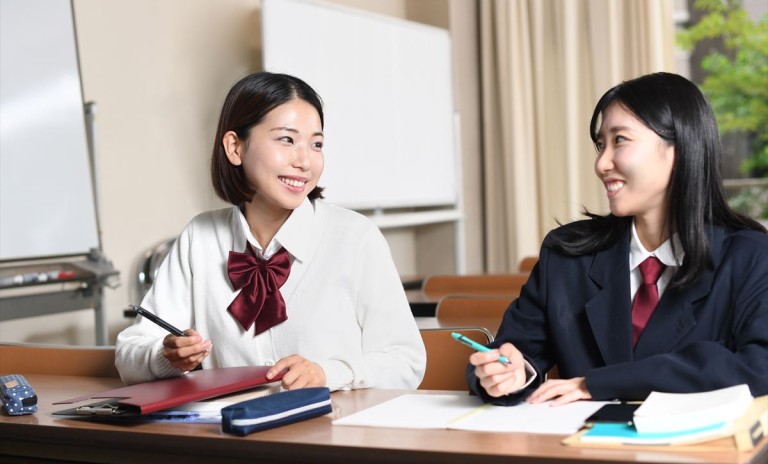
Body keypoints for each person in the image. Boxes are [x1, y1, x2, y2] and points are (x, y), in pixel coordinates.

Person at [467, 72, 768, 406]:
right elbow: (516, 351)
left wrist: (595, 384)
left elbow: (759, 366)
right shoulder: (567, 255)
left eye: (620, 140)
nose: (601, 163)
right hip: (579, 451)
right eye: (600, 145)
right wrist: (506, 372)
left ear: (679, 149)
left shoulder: (750, 257)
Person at [116, 72, 426, 390]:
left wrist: (329, 373)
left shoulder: (356, 238)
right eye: (287, 139)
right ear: (235, 147)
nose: (305, 161)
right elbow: (128, 354)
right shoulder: (200, 238)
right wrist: (167, 355)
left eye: (316, 144)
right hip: (232, 434)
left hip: (335, 430)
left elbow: (406, 362)